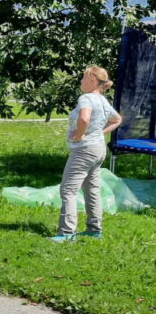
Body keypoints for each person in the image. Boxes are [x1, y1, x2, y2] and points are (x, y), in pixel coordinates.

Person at [50, 65, 122, 242]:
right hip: (98, 149)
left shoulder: (86, 98)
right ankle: (94, 230)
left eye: (83, 78)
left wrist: (79, 135)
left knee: (68, 189)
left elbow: (84, 118)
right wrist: (98, 132)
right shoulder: (103, 100)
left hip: (84, 150)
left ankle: (66, 233)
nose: (81, 81)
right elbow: (117, 119)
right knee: (92, 189)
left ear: (92, 80)